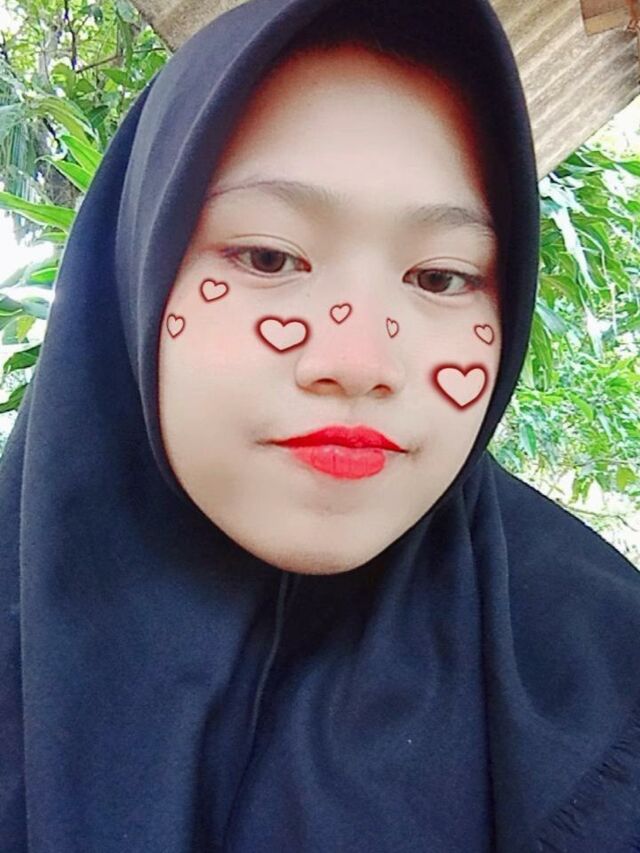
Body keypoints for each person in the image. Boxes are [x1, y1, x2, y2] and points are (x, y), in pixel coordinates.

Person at [1, 0, 639, 850]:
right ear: (134, 275)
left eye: (442, 277)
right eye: (269, 256)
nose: (360, 360)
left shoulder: (603, 688)